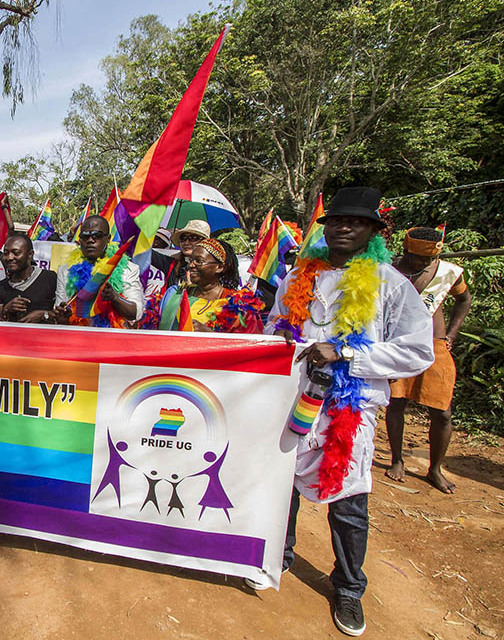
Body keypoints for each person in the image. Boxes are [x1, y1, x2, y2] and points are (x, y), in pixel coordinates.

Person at [251, 187, 433, 637]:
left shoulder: (391, 283)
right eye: (336, 221)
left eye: (355, 222)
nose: (343, 227)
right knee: (281, 485)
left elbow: (417, 350)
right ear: (324, 228)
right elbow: (277, 327)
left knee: (349, 501)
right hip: (293, 401)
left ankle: (349, 587)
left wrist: (346, 353)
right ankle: (279, 554)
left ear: (372, 231)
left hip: (350, 409)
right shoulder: (298, 277)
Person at [386, 227, 472, 494]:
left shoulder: (447, 272)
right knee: (395, 402)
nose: (425, 264)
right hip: (397, 342)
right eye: (419, 259)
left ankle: (435, 468)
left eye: (430, 260)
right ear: (405, 251)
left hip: (434, 344)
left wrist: (452, 334)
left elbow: (464, 300)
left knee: (442, 411)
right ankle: (397, 459)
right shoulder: (390, 269)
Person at [54, 215, 143, 328]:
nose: (90, 240)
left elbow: (135, 313)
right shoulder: (65, 271)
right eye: (85, 236)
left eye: (97, 235)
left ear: (108, 238)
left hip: (112, 339)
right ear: (80, 240)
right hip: (77, 337)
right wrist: (63, 318)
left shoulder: (128, 269)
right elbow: (60, 311)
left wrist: (114, 298)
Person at [182, 238, 264, 333]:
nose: (191, 265)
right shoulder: (180, 294)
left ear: (220, 267)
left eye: (199, 261)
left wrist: (211, 335)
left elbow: (250, 343)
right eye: (190, 260)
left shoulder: (240, 306)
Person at [0, 232, 57, 323]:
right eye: (6, 253)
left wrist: (44, 315)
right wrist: (6, 309)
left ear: (30, 255)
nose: (9, 257)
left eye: (16, 253)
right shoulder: (1, 286)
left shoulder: (50, 278)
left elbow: (62, 316)